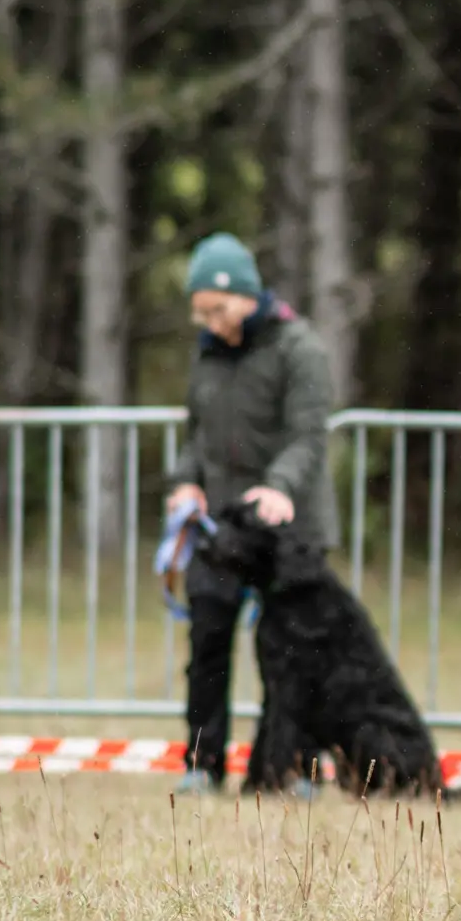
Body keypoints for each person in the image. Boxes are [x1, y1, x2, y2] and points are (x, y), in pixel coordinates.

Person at [163, 232, 338, 794]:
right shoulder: (207, 353)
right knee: (208, 641)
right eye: (201, 312)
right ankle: (202, 764)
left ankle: (293, 767)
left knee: (291, 652)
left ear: (245, 296)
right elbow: (198, 435)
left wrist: (278, 487)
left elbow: (308, 435)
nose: (209, 321)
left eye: (216, 309)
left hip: (289, 528)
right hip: (223, 531)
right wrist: (186, 481)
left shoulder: (300, 348)